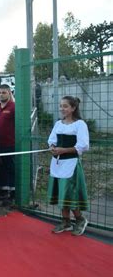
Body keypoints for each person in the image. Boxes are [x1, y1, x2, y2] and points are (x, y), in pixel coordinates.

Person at [48, 96, 89, 236]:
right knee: (61, 192)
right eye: (61, 106)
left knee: (70, 193)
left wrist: (63, 150)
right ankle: (66, 221)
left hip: (71, 164)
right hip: (58, 164)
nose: (62, 109)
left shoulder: (80, 124)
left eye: (65, 106)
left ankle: (80, 219)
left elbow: (82, 146)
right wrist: (53, 147)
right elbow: (52, 140)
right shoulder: (58, 124)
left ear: (73, 108)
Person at [0, 84, 15, 206]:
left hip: (10, 144)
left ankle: (12, 194)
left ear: (9, 93)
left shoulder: (14, 107)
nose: (1, 95)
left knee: (10, 168)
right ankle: (3, 191)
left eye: (4, 92)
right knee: (1, 168)